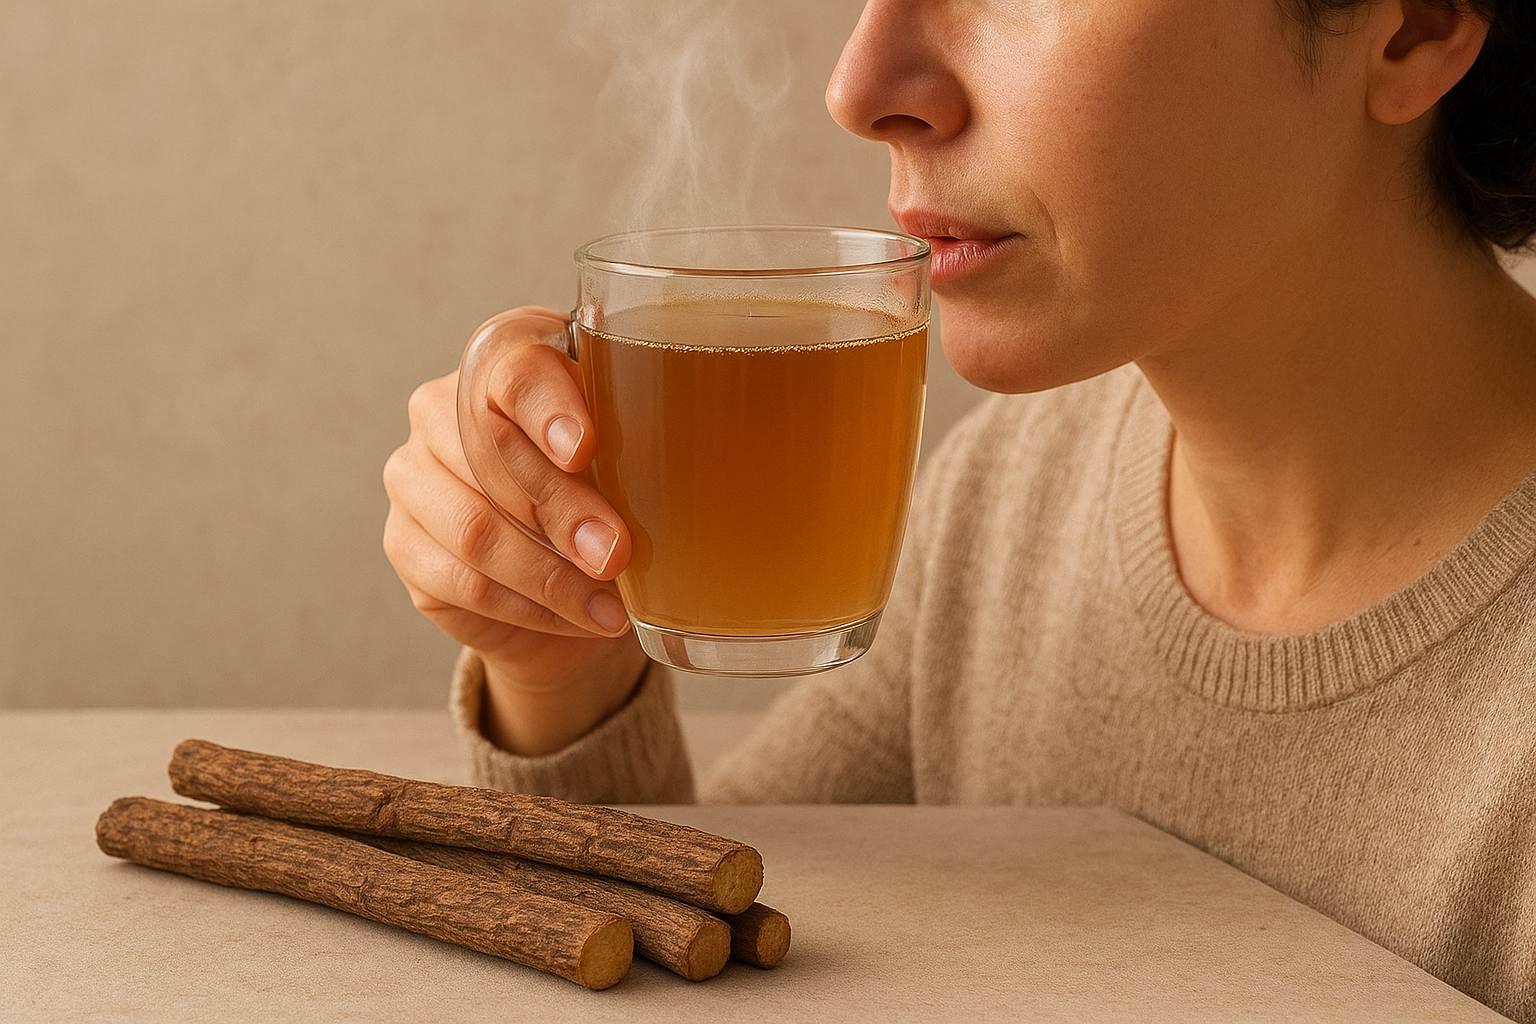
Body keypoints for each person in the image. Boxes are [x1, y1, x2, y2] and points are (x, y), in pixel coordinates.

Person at [382, 1, 1536, 1018]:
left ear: (1418, 23)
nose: (861, 88)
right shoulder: (1007, 500)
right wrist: (562, 663)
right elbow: (700, 927)